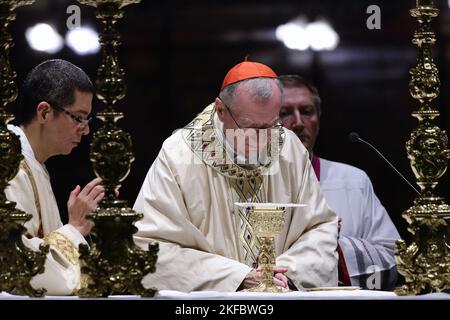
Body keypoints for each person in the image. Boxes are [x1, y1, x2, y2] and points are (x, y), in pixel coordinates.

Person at [133, 61, 339, 292]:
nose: (262, 140)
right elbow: (150, 246)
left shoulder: (289, 148)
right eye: (250, 127)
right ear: (221, 110)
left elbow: (319, 228)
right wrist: (237, 277)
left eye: (271, 125)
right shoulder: (178, 156)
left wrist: (283, 274)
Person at [278, 74, 400, 290]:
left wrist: (332, 248)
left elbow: (394, 258)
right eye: (284, 113)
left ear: (318, 119)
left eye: (306, 112)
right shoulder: (248, 184)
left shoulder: (353, 181)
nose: (297, 123)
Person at [4, 59, 105, 295]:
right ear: (44, 112)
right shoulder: (9, 166)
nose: (86, 130)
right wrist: (75, 228)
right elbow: (14, 260)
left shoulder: (33, 165)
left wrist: (74, 226)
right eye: (79, 118)